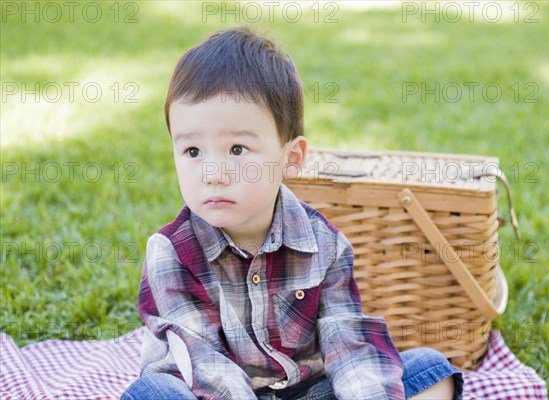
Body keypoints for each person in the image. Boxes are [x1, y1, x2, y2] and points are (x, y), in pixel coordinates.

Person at [121, 26, 463, 400]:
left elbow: (349, 344)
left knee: (430, 371)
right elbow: (204, 363)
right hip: (207, 391)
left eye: (237, 150)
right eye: (192, 152)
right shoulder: (171, 251)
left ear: (291, 158)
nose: (212, 173)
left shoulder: (325, 245)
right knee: (154, 391)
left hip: (303, 391)